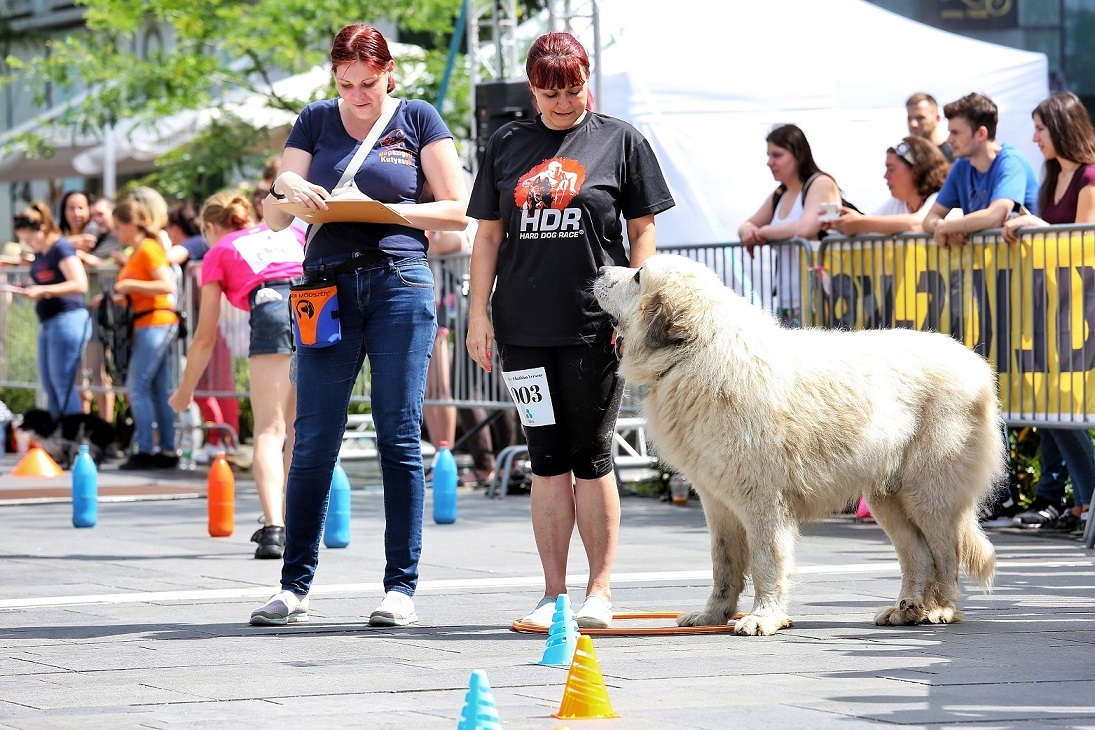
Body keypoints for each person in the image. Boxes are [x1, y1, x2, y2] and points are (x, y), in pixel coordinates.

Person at [249, 23, 468, 627]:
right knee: (313, 433)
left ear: (389, 72)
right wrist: (287, 184)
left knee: (399, 432)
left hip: (399, 276)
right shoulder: (315, 119)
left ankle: (401, 588)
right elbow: (272, 217)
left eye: (368, 84)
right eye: (346, 84)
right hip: (323, 283)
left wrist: (393, 212)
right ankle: (293, 586)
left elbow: (457, 210)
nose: (358, 95)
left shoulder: (418, 118)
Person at [465, 31, 675, 630]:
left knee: (591, 457)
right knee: (546, 459)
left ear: (588, 81)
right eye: (549, 91)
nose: (562, 102)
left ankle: (599, 591)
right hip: (524, 329)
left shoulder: (620, 139)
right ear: (532, 89)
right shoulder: (506, 143)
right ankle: (552, 593)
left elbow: (642, 230)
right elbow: (487, 237)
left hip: (593, 328)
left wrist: (637, 307)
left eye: (573, 88)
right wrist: (480, 314)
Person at [169, 191, 305, 559]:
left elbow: (205, 335)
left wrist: (184, 391)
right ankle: (296, 524)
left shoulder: (220, 250)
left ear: (210, 227)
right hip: (316, 308)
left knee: (268, 430)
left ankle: (274, 528)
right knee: (298, 430)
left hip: (272, 310)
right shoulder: (289, 231)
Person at [1000, 91, 1095, 532]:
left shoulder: (1089, 176)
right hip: (1056, 301)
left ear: (1060, 127)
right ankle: (1076, 501)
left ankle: (1088, 497)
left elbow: (1078, 237)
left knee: (1067, 408)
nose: (1034, 137)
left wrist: (1032, 225)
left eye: (1040, 128)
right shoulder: (1053, 175)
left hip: (1081, 303)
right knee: (1051, 408)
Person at [165, 201, 240, 459]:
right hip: (211, 324)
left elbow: (170, 257)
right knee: (211, 385)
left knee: (214, 385)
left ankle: (223, 439)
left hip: (215, 325)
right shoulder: (204, 244)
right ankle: (223, 439)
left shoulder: (199, 244)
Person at [111, 199, 180, 470]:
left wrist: (128, 283)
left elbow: (166, 284)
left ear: (131, 225)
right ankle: (166, 449)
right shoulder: (139, 251)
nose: (116, 233)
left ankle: (147, 448)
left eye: (118, 227)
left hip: (156, 322)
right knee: (156, 389)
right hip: (149, 321)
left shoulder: (149, 249)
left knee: (137, 386)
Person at [923, 92, 1039, 246]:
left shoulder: (1011, 161)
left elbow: (995, 215)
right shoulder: (961, 166)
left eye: (955, 133)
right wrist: (949, 231)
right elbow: (929, 220)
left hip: (1031, 265)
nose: (949, 140)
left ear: (981, 134)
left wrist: (948, 227)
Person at [12, 202, 91, 418]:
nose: (28, 244)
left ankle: (73, 440)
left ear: (42, 230)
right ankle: (60, 440)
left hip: (68, 319)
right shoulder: (40, 253)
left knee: (62, 385)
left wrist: (44, 290)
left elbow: (80, 284)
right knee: (49, 385)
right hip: (48, 322)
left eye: (30, 239)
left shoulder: (61, 248)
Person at [738, 124, 841, 249]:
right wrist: (749, 232)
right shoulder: (780, 193)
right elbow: (747, 224)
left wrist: (764, 232)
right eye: (769, 156)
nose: (769, 163)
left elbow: (807, 229)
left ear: (800, 155)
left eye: (777, 155)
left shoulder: (823, 183)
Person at [822, 136, 950, 235]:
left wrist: (860, 223)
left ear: (915, 171)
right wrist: (840, 221)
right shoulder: (897, 203)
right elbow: (871, 221)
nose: (885, 176)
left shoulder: (940, 198)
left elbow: (918, 224)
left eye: (891, 169)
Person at [906, 92, 954, 162]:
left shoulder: (953, 156)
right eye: (909, 119)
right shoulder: (906, 159)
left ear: (937, 118)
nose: (913, 124)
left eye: (920, 118)